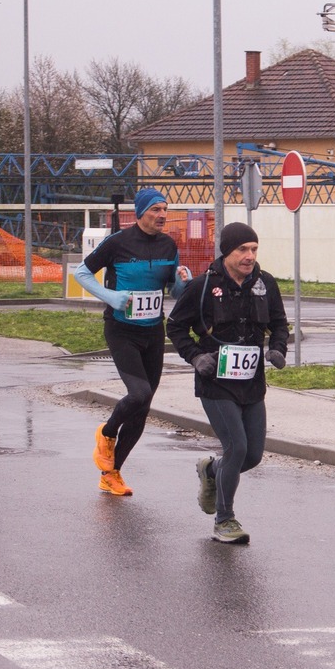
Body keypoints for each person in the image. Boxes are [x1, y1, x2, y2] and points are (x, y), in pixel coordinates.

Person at [166, 222, 288, 543]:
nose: (250, 256)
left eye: (254, 249)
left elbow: (279, 324)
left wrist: (278, 348)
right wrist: (195, 357)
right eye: (242, 250)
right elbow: (175, 326)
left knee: (253, 455)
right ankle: (224, 520)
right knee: (236, 447)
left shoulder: (265, 283)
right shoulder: (203, 286)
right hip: (215, 382)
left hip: (251, 383)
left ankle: (211, 470)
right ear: (226, 252)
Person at [74, 187, 191, 497]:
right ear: (140, 213)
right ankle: (107, 432)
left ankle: (111, 474)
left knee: (143, 406)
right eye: (155, 210)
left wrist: (182, 282)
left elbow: (172, 290)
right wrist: (110, 297)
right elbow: (81, 273)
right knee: (138, 393)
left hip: (153, 331)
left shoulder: (168, 245)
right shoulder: (118, 243)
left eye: (165, 210)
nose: (162, 215)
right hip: (121, 329)